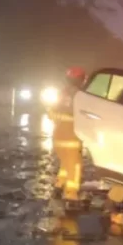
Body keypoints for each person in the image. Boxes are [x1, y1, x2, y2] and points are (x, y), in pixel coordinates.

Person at [48, 67, 87, 203]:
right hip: (72, 136)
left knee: (65, 162)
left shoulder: (61, 93)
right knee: (74, 166)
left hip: (58, 136)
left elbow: (50, 112)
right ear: (80, 80)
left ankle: (59, 185)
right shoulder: (81, 95)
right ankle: (71, 193)